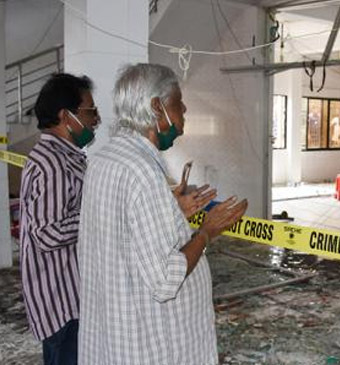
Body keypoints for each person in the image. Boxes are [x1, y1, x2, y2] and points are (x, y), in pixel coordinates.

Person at [78, 63, 247, 365]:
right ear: (157, 107)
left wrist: (172, 208)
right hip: (147, 343)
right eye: (178, 102)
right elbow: (165, 280)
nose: (184, 109)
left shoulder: (104, 159)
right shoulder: (142, 172)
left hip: (112, 334)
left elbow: (125, 234)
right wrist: (208, 231)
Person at [19, 73, 100, 365]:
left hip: (70, 295)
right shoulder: (53, 163)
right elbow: (47, 233)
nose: (95, 119)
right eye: (89, 111)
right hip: (62, 302)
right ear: (66, 116)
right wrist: (95, 215)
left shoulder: (65, 156)